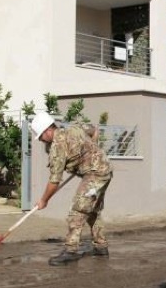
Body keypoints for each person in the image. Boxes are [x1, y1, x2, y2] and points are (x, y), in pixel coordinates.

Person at [32, 112, 113, 266]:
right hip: (105, 170)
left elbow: (54, 180)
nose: (41, 141)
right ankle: (101, 246)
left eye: (41, 136)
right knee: (92, 211)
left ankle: (70, 250)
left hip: (95, 174)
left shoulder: (57, 146)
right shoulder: (74, 129)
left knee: (77, 210)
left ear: (48, 130)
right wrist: (93, 148)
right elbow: (94, 129)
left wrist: (44, 200)